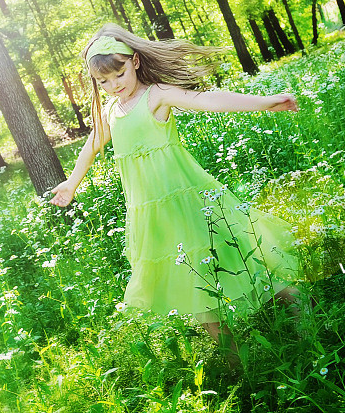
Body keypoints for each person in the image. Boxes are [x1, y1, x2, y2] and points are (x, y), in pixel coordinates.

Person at [49, 23, 303, 364]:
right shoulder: (111, 110)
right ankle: (236, 365)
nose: (114, 85)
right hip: (154, 215)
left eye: (119, 74)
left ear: (135, 62)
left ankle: (302, 310)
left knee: (238, 256)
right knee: (193, 283)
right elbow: (92, 144)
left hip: (188, 198)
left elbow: (206, 101)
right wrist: (71, 182)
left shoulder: (155, 95)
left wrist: (264, 103)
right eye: (104, 81)